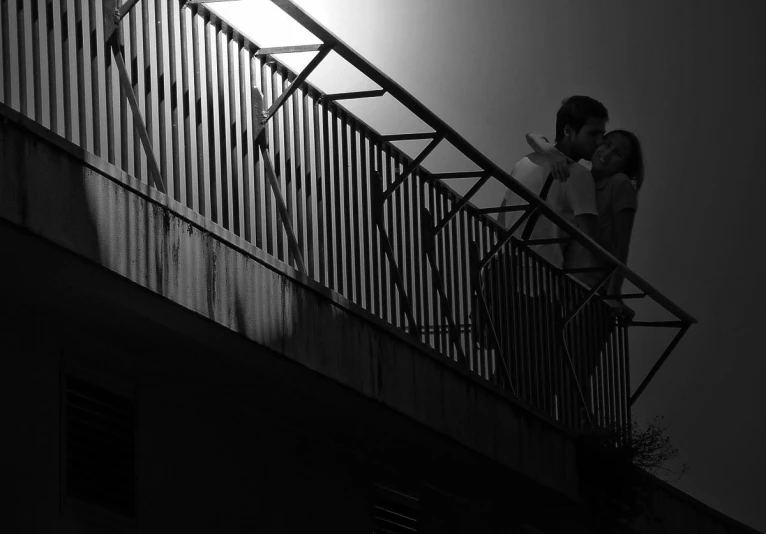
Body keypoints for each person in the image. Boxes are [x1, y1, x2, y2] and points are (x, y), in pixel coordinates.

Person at [525, 129, 644, 320]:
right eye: (606, 144)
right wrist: (554, 154)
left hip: (591, 288)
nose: (606, 154)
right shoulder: (580, 176)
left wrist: (613, 295)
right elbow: (532, 136)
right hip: (562, 284)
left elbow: (622, 245)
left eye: (617, 154)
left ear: (625, 164)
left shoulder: (619, 183)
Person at [498, 95, 607, 272]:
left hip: (500, 268)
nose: (600, 141)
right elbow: (593, 241)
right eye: (593, 133)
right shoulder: (578, 174)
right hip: (538, 283)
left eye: (602, 135)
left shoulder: (525, 161)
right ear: (568, 131)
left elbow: (502, 216)